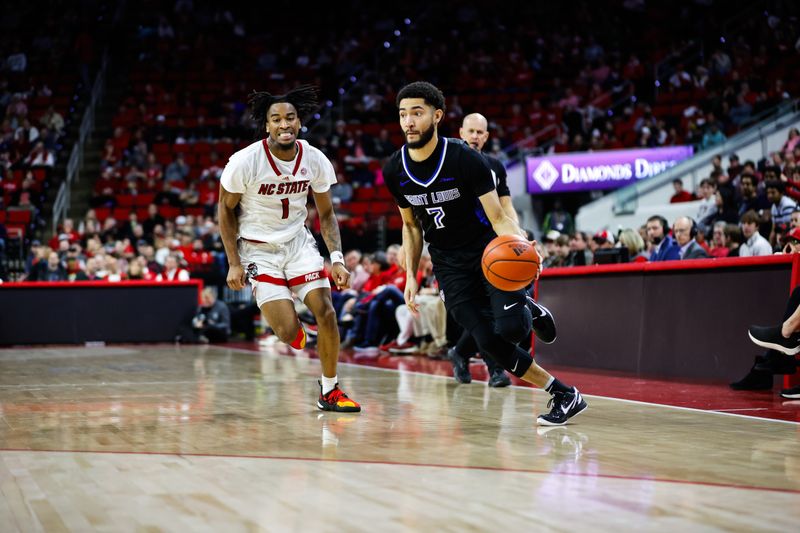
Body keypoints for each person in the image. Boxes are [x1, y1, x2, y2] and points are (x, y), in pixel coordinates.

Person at [382, 81, 586, 425]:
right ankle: (564, 394)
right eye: (403, 114)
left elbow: (498, 216)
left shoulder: (466, 159)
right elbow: (411, 227)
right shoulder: (394, 170)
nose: (408, 122)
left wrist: (523, 247)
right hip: (447, 264)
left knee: (509, 330)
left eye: (417, 113)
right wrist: (411, 278)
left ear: (437, 116)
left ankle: (526, 307)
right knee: (488, 341)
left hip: (487, 253)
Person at [218, 85, 360, 413]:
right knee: (288, 333)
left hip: (298, 243)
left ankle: (330, 390)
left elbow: (326, 214)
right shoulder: (245, 161)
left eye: (290, 118)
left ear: (299, 122)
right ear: (266, 125)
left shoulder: (314, 159)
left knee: (326, 311)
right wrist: (233, 263)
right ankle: (301, 329)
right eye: (277, 119)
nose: (285, 124)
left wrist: (336, 259)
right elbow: (224, 210)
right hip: (257, 250)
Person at [446, 112, 520, 387]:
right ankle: (469, 356)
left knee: (495, 310)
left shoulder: (495, 166)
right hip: (459, 249)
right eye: (471, 131)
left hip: (492, 244)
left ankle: (488, 365)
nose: (475, 136)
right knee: (480, 312)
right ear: (461, 133)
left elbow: (506, 205)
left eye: (480, 132)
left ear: (486, 137)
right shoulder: (448, 163)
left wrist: (518, 233)